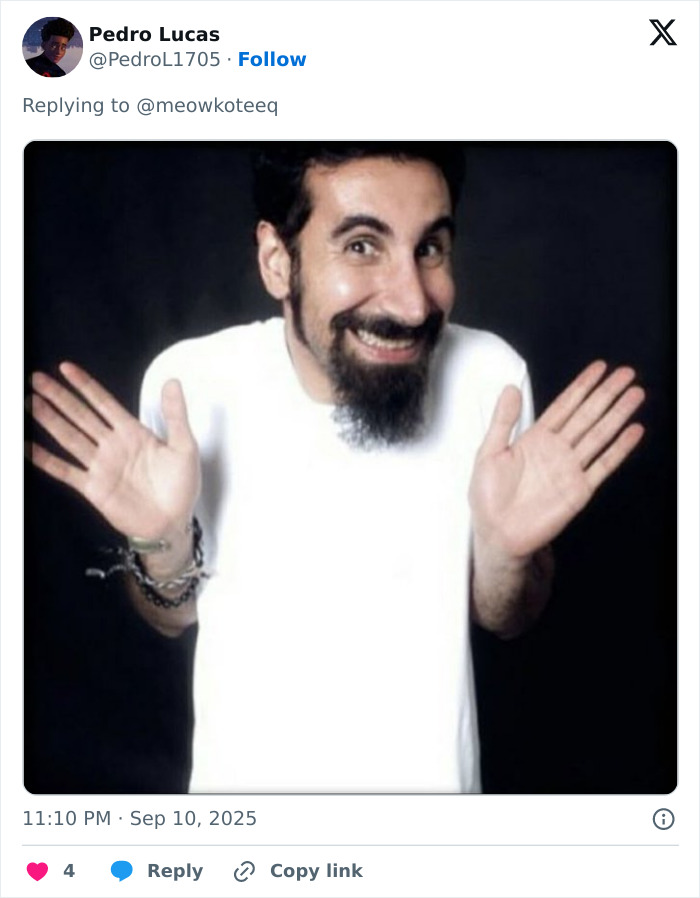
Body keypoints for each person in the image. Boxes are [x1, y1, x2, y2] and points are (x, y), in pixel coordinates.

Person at [29, 144, 645, 793]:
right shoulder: (190, 384)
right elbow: (171, 615)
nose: (412, 302)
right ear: (277, 260)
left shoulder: (493, 380)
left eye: (430, 248)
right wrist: (161, 541)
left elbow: (507, 616)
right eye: (360, 246)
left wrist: (505, 554)